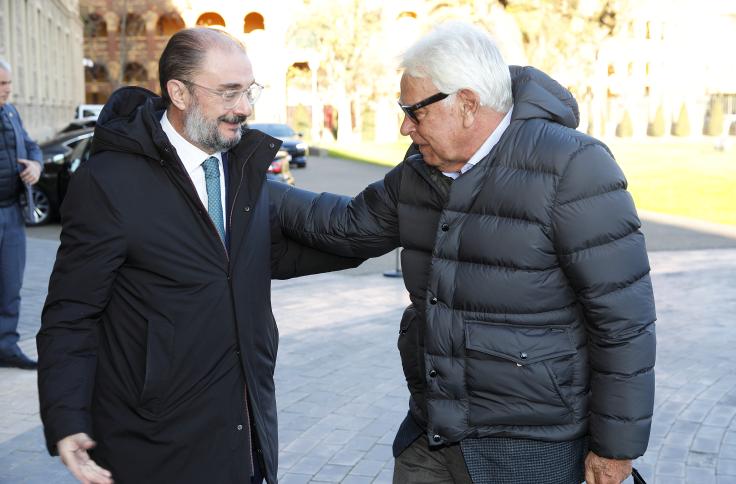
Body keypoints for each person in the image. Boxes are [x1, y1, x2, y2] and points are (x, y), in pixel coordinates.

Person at [272, 22, 656, 484]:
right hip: (432, 434)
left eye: (414, 111)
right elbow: (347, 228)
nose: (404, 126)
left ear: (468, 104)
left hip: (532, 449)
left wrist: (615, 449)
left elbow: (622, 320)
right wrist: (248, 185)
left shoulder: (575, 167)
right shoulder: (419, 170)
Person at [37, 28, 359, 484]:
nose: (245, 108)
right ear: (179, 93)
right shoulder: (108, 183)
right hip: (153, 448)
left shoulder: (242, 168)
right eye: (228, 92)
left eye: (248, 91)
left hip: (242, 436)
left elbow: (322, 236)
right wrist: (66, 419)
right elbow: (72, 315)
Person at [0, 59, 42, 370]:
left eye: (9, 84)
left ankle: (7, 346)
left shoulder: (11, 112)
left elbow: (31, 146)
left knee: (10, 284)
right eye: (2, 85)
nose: (8, 90)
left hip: (12, 212)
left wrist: (36, 166)